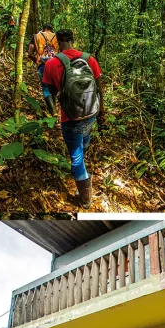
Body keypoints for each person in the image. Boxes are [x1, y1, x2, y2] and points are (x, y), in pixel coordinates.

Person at [41, 29, 105, 208]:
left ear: (58, 43)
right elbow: (100, 88)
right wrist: (102, 112)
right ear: (73, 40)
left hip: (70, 118)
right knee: (83, 141)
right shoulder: (89, 59)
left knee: (76, 158)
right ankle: (81, 176)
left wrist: (53, 112)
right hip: (91, 113)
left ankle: (85, 199)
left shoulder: (52, 64)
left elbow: (48, 92)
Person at [28, 24, 59, 109]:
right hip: (55, 64)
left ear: (44, 29)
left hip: (43, 64)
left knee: (45, 87)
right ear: (51, 30)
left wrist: (37, 61)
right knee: (54, 86)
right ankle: (55, 108)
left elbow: (30, 53)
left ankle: (53, 112)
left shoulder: (36, 36)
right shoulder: (57, 36)